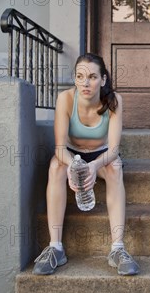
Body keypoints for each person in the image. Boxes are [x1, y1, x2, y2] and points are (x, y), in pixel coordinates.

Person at [33, 52, 139, 276]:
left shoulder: (114, 101)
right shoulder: (66, 99)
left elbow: (113, 150)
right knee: (55, 166)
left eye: (92, 77)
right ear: (75, 78)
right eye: (80, 76)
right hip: (71, 154)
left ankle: (118, 249)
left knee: (116, 168)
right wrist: (75, 166)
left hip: (101, 156)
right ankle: (55, 248)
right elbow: (60, 148)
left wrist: (92, 167)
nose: (85, 82)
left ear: (103, 79)